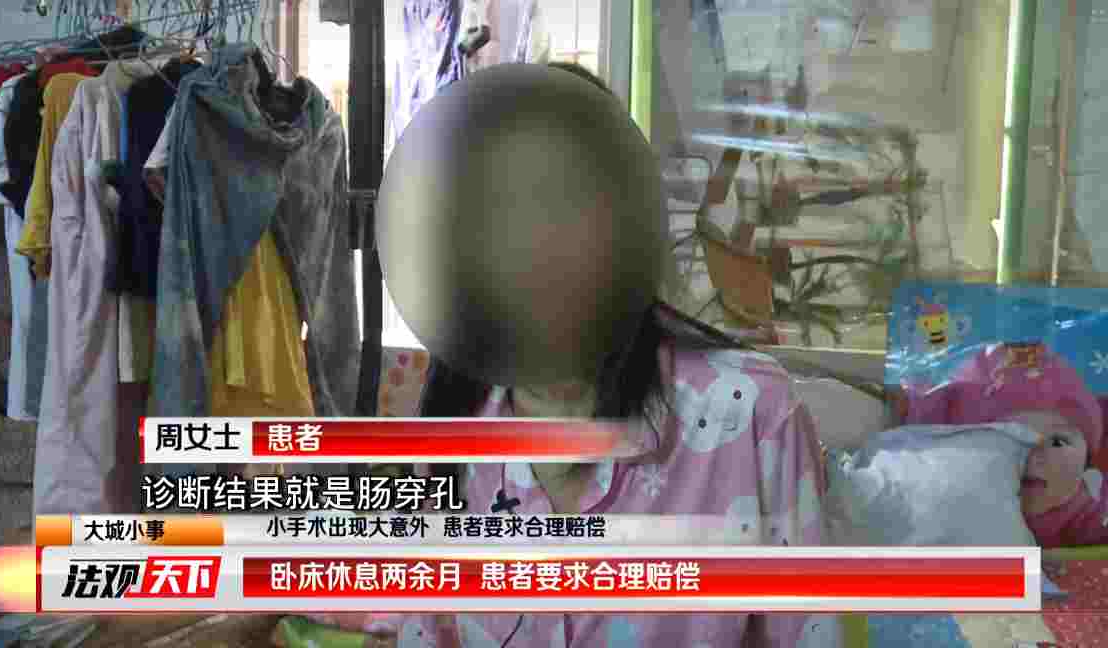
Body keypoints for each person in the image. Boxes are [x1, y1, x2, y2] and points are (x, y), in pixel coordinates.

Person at [297, 61, 842, 648]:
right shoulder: (452, 437)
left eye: (563, 200)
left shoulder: (751, 414)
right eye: (498, 212)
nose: (534, 245)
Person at [901, 343, 1107, 548]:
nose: (1032, 455)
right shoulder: (953, 503)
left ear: (1086, 458)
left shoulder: (1088, 509)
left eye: (1057, 442)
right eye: (1007, 437)